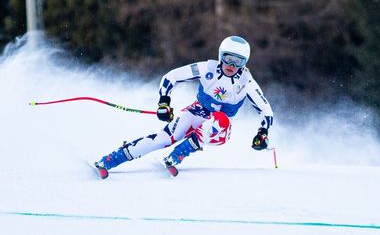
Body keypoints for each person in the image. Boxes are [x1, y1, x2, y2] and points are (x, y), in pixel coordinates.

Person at [94, 35, 274, 178]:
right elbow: (171, 77)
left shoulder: (246, 82)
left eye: (238, 62)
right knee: (164, 138)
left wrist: (262, 133)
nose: (232, 65)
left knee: (218, 120)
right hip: (197, 111)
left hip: (220, 129)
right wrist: (164, 102)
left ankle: (179, 153)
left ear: (245, 63)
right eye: (228, 59)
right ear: (221, 56)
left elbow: (266, 110)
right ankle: (111, 159)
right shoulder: (207, 69)